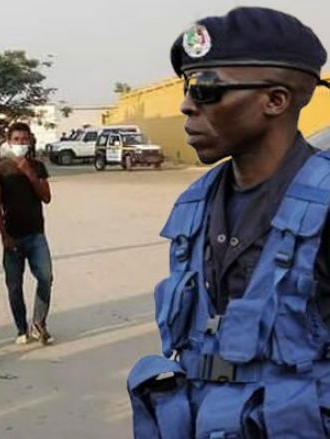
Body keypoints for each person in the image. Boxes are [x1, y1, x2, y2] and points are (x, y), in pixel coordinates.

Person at [127, 8, 330, 438]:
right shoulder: (195, 202)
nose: (187, 105)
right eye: (188, 88)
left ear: (275, 100)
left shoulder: (325, 203)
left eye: (207, 90)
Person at [0, 122, 54, 345]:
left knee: (46, 277)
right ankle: (21, 328)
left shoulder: (37, 166)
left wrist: (29, 173)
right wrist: (4, 236)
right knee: (14, 285)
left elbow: (46, 197)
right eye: (16, 139)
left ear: (30, 140)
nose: (20, 143)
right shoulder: (0, 170)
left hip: (36, 234)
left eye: (24, 139)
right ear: (9, 142)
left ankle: (39, 323)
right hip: (13, 236)